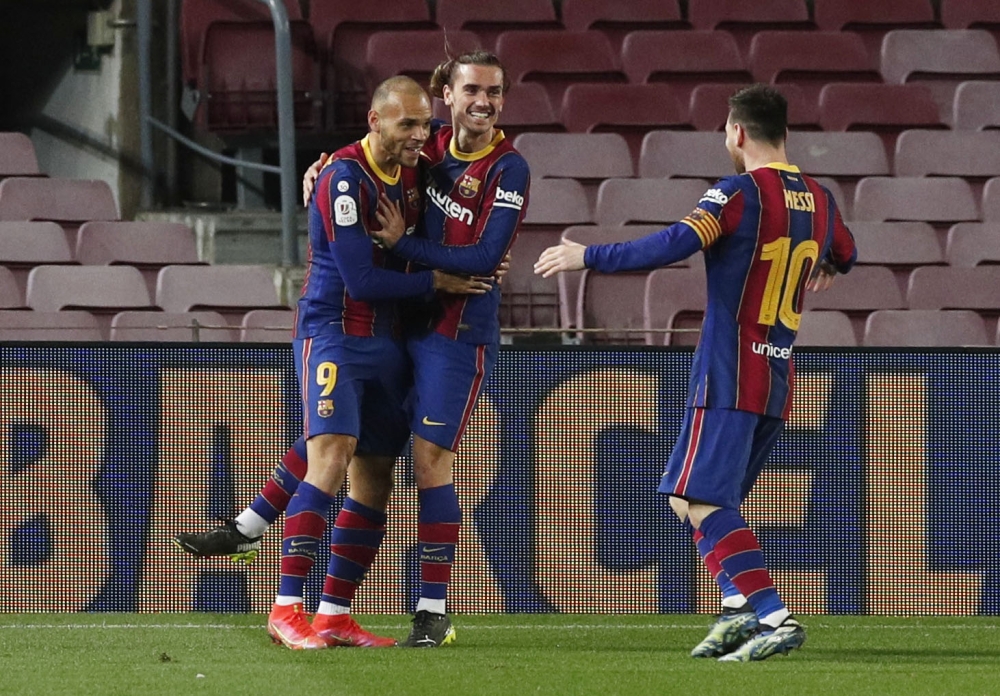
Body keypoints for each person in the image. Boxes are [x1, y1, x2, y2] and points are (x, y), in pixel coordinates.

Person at [534, 84, 856, 663]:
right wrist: (826, 261)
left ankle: (773, 616)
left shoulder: (735, 193)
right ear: (784, 133)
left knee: (703, 501)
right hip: (776, 378)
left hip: (728, 373)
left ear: (736, 133)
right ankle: (735, 608)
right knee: (688, 498)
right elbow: (846, 251)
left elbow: (674, 244)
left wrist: (588, 256)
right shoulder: (822, 198)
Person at [178, 75, 490, 651]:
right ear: (375, 122)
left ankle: (332, 613)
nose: (420, 135)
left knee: (374, 478)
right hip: (335, 335)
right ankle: (284, 607)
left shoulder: (417, 164)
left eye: (425, 125)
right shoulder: (343, 180)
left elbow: (463, 135)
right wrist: (439, 279)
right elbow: (362, 280)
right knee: (330, 454)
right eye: (407, 125)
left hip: (390, 342)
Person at [365, 50, 529, 648]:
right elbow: (367, 151)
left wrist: (405, 245)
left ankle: (432, 610)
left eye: (494, 92)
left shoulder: (508, 169)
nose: (482, 102)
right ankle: (322, 600)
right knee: (356, 452)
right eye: (472, 91)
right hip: (394, 322)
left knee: (430, 459)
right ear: (448, 95)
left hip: (455, 335)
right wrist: (322, 164)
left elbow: (485, 262)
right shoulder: (423, 143)